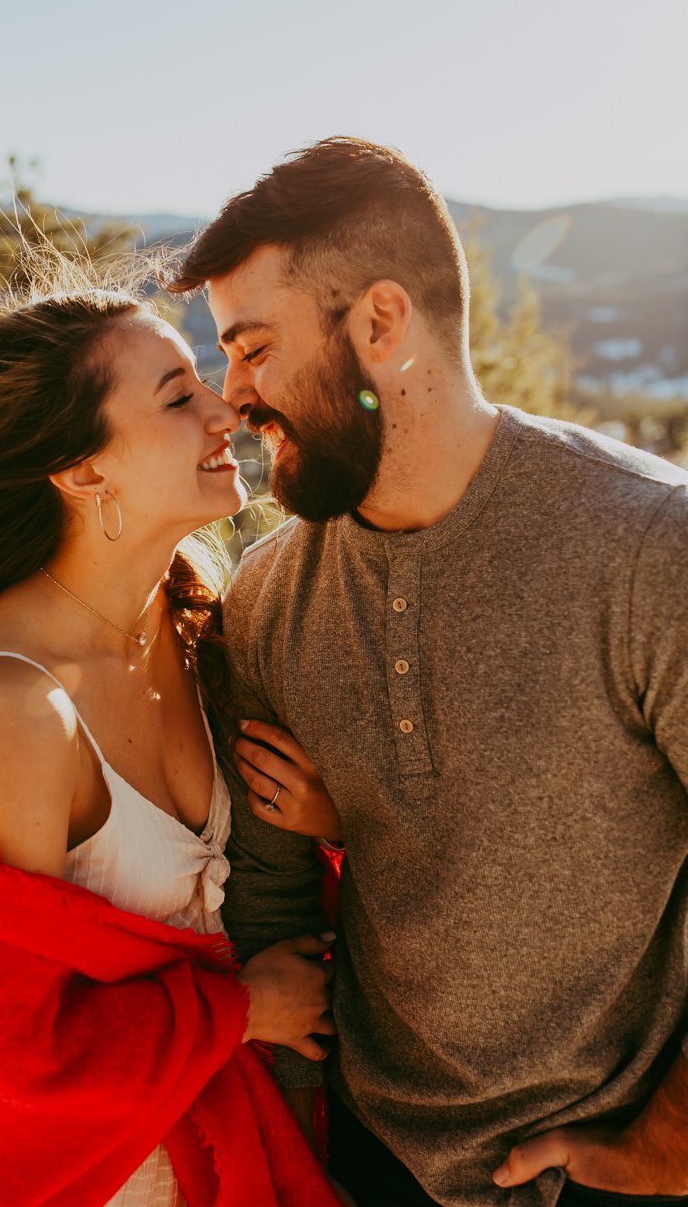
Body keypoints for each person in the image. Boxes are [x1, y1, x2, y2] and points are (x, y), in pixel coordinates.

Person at [168, 137, 688, 1207]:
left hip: (608, 1163)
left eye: (254, 346)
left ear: (378, 321)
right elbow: (269, 902)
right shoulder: (265, 600)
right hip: (369, 1158)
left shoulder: (649, 548)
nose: (233, 397)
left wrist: (671, 1142)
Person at [0, 270, 342, 1207]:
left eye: (204, 382)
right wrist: (241, 1011)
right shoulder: (9, 710)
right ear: (84, 471)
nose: (225, 410)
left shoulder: (191, 611)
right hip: (80, 1178)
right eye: (178, 397)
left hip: (212, 1134)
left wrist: (323, 821)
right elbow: (7, 1054)